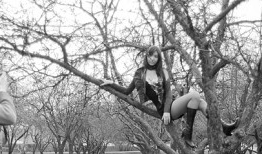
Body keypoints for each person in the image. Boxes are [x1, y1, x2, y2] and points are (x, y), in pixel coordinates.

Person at [101, 45, 238, 147]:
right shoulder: (140, 73)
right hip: (165, 110)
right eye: (150, 55)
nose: (152, 59)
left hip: (171, 105)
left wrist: (168, 110)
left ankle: (223, 127)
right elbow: (126, 90)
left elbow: (168, 94)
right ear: (146, 56)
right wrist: (111, 83)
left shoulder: (163, 72)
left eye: (155, 56)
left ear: (159, 58)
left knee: (200, 101)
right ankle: (188, 135)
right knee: (195, 96)